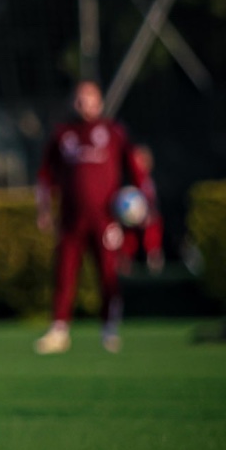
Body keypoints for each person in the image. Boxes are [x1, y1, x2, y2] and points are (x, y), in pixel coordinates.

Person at [35, 81, 146, 354]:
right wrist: (44, 209)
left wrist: (141, 200)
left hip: (105, 220)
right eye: (81, 99)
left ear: (100, 102)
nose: (86, 104)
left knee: (108, 275)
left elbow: (135, 168)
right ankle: (59, 330)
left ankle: (109, 329)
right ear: (74, 102)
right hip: (71, 220)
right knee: (64, 274)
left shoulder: (113, 131)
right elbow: (45, 176)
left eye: (91, 98)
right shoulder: (63, 134)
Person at [120, 145, 164, 275]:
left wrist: (149, 212)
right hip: (130, 215)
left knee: (153, 228)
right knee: (129, 237)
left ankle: (154, 256)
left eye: (143, 160)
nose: (139, 163)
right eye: (137, 159)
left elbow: (151, 200)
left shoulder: (147, 180)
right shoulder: (132, 178)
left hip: (146, 216)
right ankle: (125, 260)